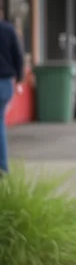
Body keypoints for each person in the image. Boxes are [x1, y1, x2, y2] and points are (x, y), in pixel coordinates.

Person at [0, 13, 25, 174]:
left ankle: (2, 166)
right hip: (5, 82)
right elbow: (18, 55)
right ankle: (2, 166)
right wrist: (20, 78)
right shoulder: (8, 30)